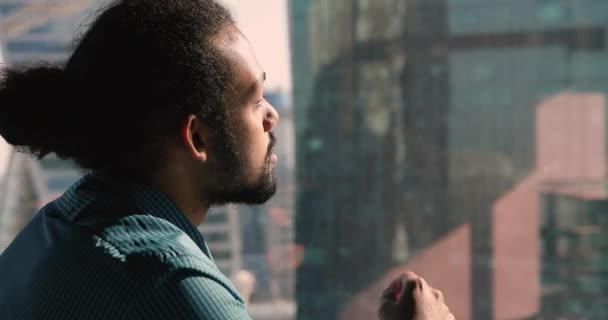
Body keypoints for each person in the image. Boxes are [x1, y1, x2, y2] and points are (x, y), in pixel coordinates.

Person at [0, 0, 453, 319]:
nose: (272, 116)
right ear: (197, 137)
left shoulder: (59, 225)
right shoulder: (173, 289)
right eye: (254, 100)